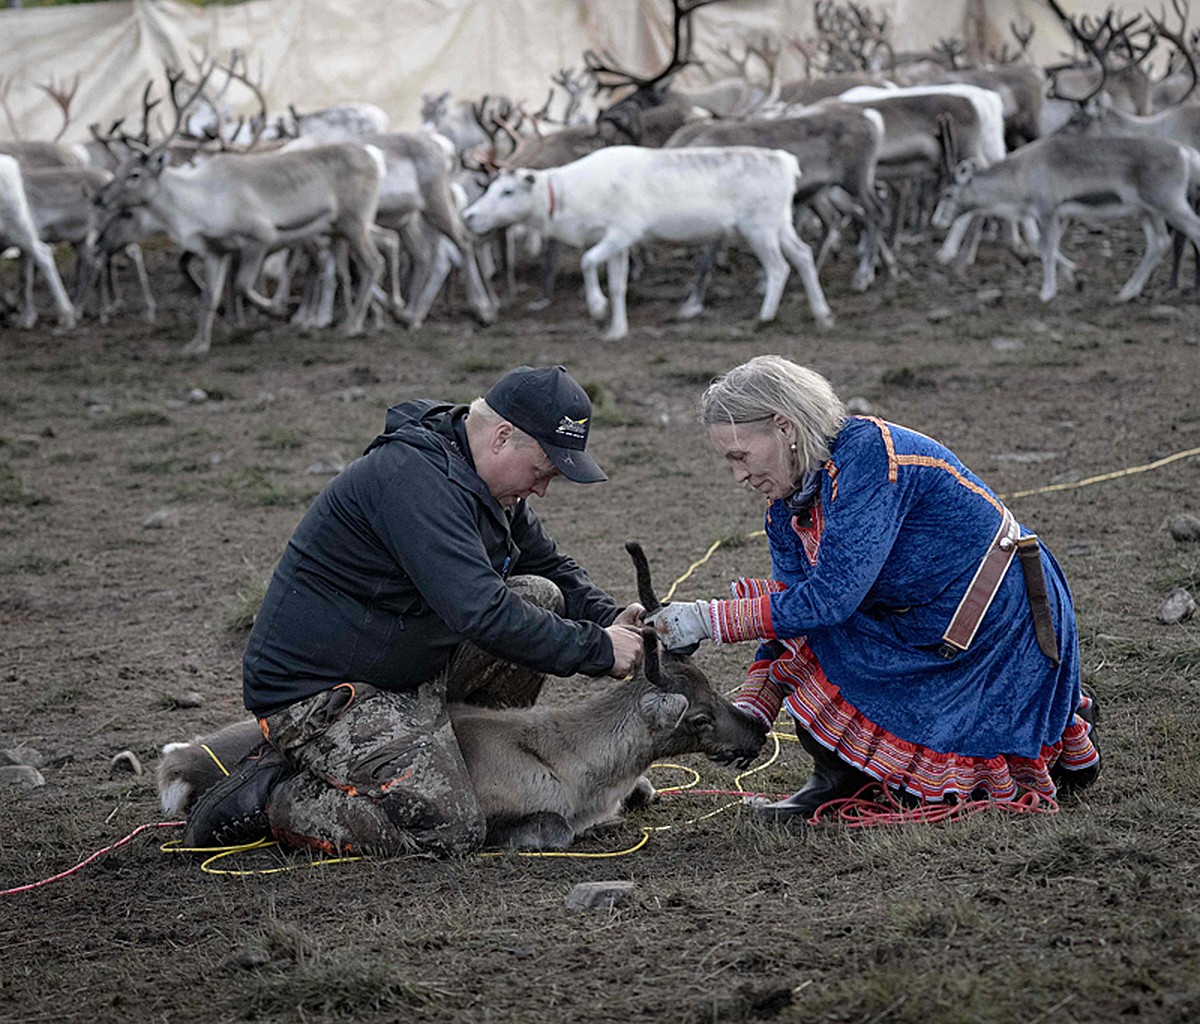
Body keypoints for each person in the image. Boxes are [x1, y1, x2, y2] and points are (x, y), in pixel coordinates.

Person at [185, 365, 644, 855]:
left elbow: (548, 564)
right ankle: (279, 794)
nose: (541, 489)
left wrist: (607, 617)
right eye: (542, 471)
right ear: (503, 438)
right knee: (450, 829)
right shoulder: (416, 482)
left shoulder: (479, 480)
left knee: (538, 595)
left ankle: (436, 758)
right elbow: (480, 612)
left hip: (404, 673)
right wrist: (598, 649)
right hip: (325, 696)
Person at [647, 355, 1100, 821]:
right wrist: (751, 714)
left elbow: (831, 599)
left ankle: (865, 776)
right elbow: (789, 610)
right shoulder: (787, 502)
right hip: (922, 621)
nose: (738, 475)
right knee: (799, 619)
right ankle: (841, 777)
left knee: (827, 627)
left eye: (740, 456)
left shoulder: (868, 458)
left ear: (785, 428)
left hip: (997, 621)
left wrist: (706, 618)